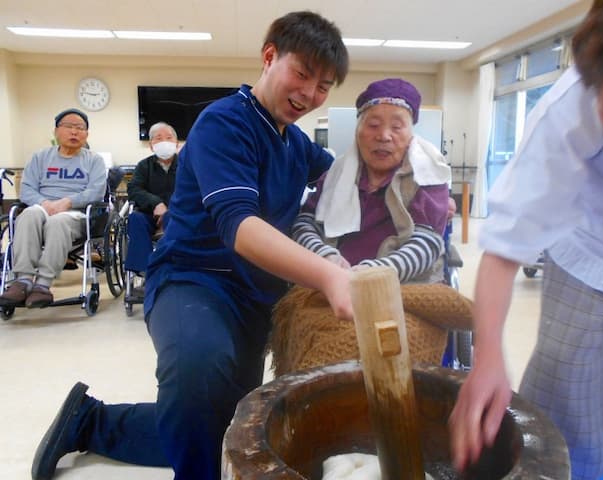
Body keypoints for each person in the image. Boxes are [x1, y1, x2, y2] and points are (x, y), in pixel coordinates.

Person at [31, 11, 350, 480]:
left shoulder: (296, 143)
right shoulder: (224, 122)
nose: (309, 94)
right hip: (192, 281)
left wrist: (412, 182)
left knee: (230, 425)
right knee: (198, 373)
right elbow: (239, 226)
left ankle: (91, 421)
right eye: (301, 74)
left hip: (254, 297)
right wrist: (330, 275)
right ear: (269, 57)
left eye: (323, 86)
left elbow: (349, 178)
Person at [449, 1, 603, 479]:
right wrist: (488, 354)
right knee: (571, 408)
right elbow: (505, 247)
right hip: (591, 248)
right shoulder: (567, 107)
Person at [293, 77, 450, 283]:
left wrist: (373, 272)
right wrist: (326, 256)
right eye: (373, 125)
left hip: (405, 285)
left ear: (411, 135)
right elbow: (305, 223)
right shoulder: (336, 174)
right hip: (333, 280)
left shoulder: (427, 176)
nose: (384, 136)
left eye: (397, 127)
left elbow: (426, 243)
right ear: (358, 132)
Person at [0, 108, 106, 308]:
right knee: (28, 214)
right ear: (56, 131)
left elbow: (96, 192)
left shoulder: (94, 160)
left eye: (79, 128)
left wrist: (67, 202)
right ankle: (22, 280)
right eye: (68, 126)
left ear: (86, 134)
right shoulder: (40, 158)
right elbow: (27, 189)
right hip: (43, 206)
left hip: (75, 213)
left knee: (59, 221)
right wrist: (44, 203)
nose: (74, 132)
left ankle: (42, 284)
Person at [124, 121, 179, 294]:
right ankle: (147, 273)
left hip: (177, 214)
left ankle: (171, 271)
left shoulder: (187, 164)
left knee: (173, 219)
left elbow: (193, 190)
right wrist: (156, 203)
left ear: (177, 143)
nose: (164, 142)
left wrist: (170, 208)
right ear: (151, 145)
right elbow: (134, 189)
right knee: (135, 219)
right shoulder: (143, 166)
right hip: (149, 214)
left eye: (169, 138)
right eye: (158, 138)